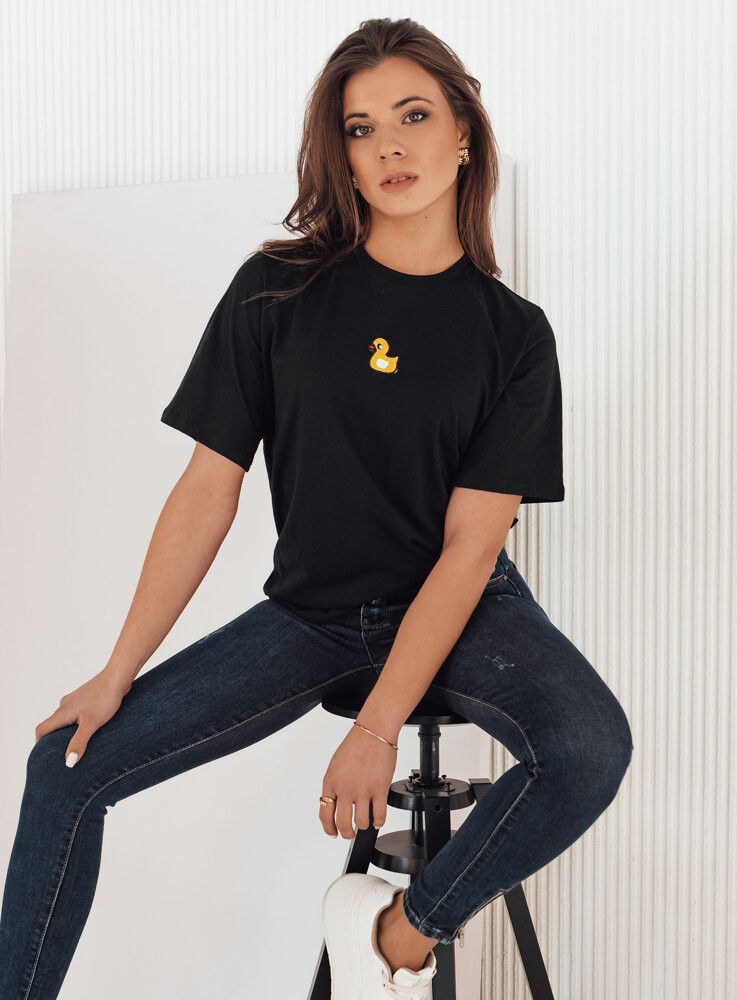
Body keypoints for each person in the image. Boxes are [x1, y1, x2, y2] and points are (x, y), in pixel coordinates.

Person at [0, 17, 633, 1000]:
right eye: (360, 127)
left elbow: (469, 550)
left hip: (465, 609)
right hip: (313, 615)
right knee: (65, 765)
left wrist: (376, 730)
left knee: (589, 748)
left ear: (465, 134)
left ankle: (398, 933)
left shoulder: (513, 336)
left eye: (414, 116)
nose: (388, 147)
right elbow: (207, 490)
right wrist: (117, 671)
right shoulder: (276, 292)